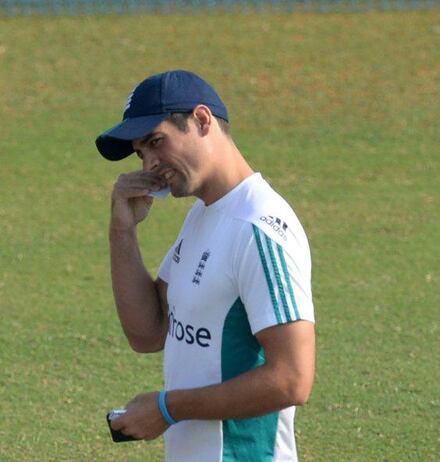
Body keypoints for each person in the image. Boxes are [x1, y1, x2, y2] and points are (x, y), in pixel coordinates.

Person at [95, 70, 316, 461]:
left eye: (156, 142)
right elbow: (148, 333)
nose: (149, 165)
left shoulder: (258, 228)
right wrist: (122, 231)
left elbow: (292, 380)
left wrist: (167, 409)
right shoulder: (203, 215)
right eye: (141, 153)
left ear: (201, 120)